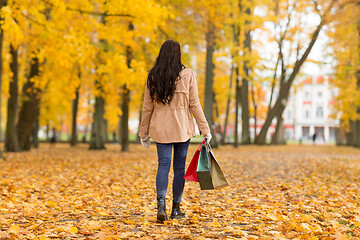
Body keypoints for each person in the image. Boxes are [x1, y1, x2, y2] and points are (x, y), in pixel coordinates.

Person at [138, 40, 211, 223]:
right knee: (179, 168)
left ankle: (161, 204)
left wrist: (143, 133)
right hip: (181, 128)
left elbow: (147, 107)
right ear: (178, 55)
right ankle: (176, 208)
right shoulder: (187, 75)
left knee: (163, 165)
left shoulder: (153, 76)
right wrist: (205, 129)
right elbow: (194, 104)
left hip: (160, 128)